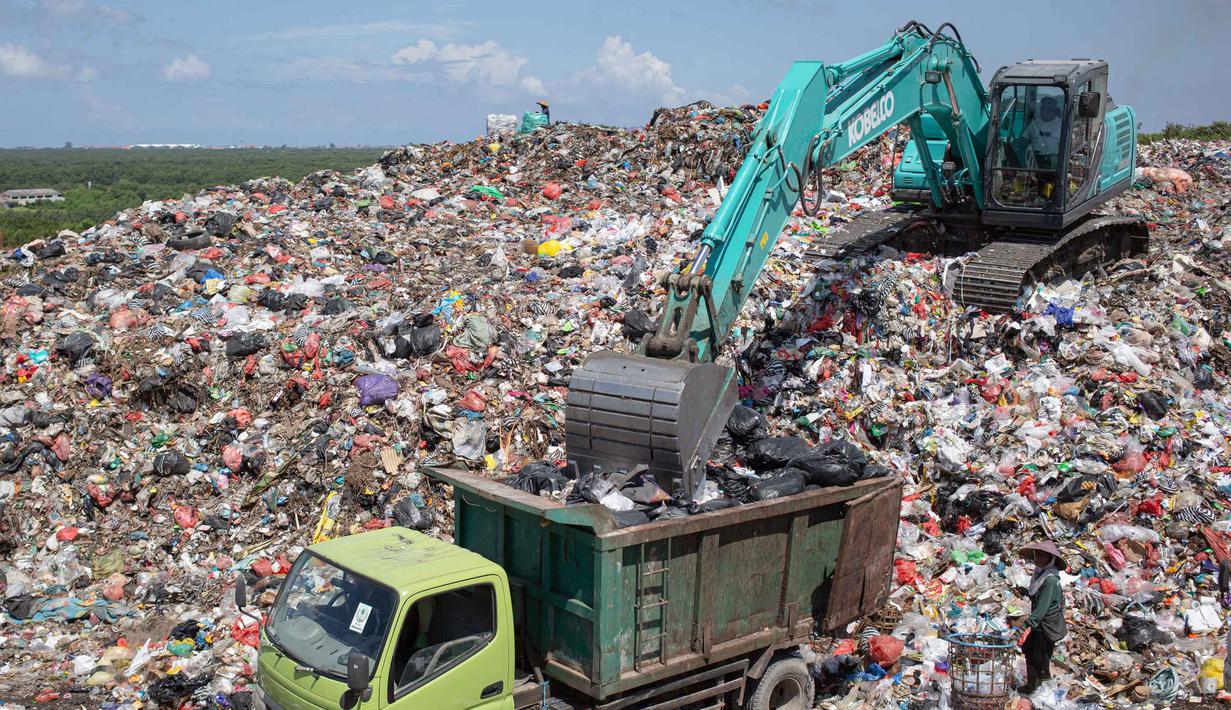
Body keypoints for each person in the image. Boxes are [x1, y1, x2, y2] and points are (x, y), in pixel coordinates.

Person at [1013, 540, 1068, 695]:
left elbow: (1041, 610)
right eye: (1037, 555)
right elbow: (1038, 597)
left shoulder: (1050, 580)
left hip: (1047, 627)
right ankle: (1032, 686)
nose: (1038, 558)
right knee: (1029, 651)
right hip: (1040, 626)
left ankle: (1041, 692)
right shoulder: (1040, 574)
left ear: (1050, 559)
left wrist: (1023, 627)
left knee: (1040, 660)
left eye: (1042, 556)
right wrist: (1024, 592)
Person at [1024, 96, 1063, 170]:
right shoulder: (1034, 123)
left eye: (1048, 109)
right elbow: (1024, 139)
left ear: (1054, 110)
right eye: (1043, 108)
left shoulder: (1062, 125)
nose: (1045, 111)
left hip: (1054, 160)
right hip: (1034, 159)